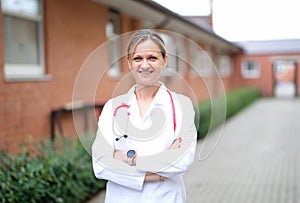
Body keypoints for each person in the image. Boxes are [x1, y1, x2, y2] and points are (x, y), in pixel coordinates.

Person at [92, 29, 197, 203]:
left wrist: (127, 157)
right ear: (129, 63)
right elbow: (101, 164)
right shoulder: (112, 107)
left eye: (152, 58)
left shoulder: (181, 106)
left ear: (165, 61)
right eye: (138, 58)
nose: (145, 65)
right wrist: (155, 174)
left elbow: (181, 161)